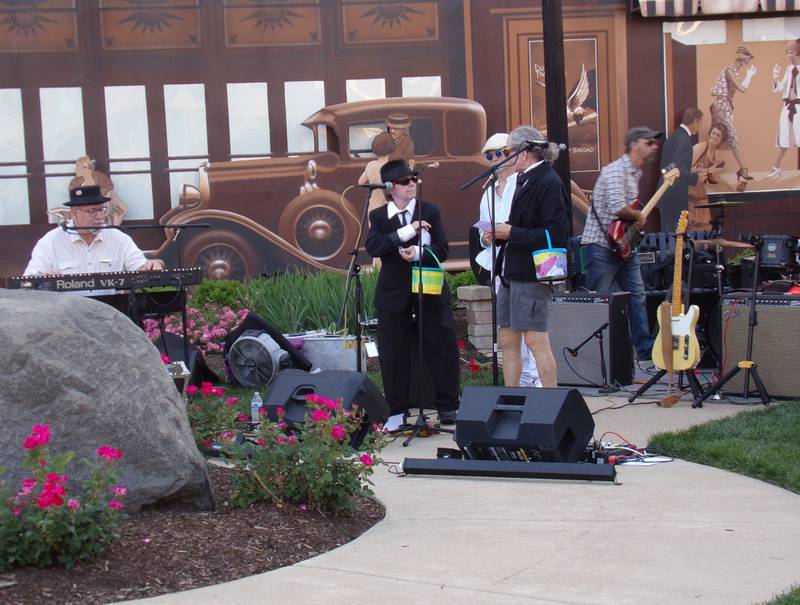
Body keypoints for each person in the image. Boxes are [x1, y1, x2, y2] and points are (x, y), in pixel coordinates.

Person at [364, 159, 460, 424]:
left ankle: (448, 405)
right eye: (406, 181)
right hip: (394, 291)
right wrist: (407, 232)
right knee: (394, 351)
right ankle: (397, 409)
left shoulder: (429, 210)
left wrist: (419, 252)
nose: (412, 185)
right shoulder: (379, 216)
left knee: (441, 345)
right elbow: (374, 247)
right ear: (391, 187)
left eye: (414, 180)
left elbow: (442, 248)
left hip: (428, 286)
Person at [485, 125, 570, 388]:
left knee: (535, 339)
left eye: (508, 151)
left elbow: (556, 233)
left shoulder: (547, 180)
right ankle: (512, 397)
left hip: (533, 273)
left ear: (524, 152)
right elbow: (524, 223)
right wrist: (499, 234)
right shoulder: (524, 179)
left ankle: (550, 402)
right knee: (508, 339)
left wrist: (511, 232)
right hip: (512, 270)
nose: (505, 156)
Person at [581, 126, 661, 364]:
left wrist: (634, 227)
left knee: (637, 296)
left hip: (623, 247)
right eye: (649, 142)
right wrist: (638, 217)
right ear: (635, 144)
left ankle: (645, 350)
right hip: (600, 245)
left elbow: (622, 217)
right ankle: (598, 356)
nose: (654, 146)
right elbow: (617, 206)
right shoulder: (616, 171)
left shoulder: (634, 174)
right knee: (602, 300)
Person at [475, 132, 541, 388]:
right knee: (509, 329)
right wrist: (487, 238)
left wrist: (506, 232)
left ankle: (534, 380)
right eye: (488, 155)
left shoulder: (522, 183)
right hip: (498, 264)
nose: (493, 159)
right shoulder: (488, 192)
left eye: (498, 153)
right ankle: (519, 382)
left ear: (511, 153)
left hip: (521, 262)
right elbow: (482, 230)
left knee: (529, 328)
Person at [24, 185, 164, 278]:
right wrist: (44, 281)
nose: (99, 216)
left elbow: (141, 267)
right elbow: (28, 281)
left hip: (111, 311)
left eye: (101, 210)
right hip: (66, 316)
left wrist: (152, 265)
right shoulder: (50, 241)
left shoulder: (118, 238)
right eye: (92, 211)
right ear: (74, 214)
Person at [709, 45, 757, 185]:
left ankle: (710, 173)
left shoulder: (734, 71)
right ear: (741, 56)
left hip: (726, 108)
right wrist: (749, 76)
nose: (749, 59)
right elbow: (741, 89)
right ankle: (743, 170)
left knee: (718, 140)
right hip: (721, 107)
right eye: (748, 56)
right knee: (727, 138)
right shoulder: (730, 71)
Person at [658, 108, 707, 233]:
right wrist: (696, 178)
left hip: (668, 194)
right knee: (674, 237)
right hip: (673, 197)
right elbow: (675, 170)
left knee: (672, 237)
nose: (700, 127)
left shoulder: (677, 137)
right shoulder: (682, 140)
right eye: (700, 123)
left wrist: (692, 170)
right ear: (695, 121)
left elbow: (671, 165)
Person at [766, 39, 800, 180]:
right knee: (784, 137)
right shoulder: (789, 69)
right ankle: (776, 167)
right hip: (787, 106)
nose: (788, 55)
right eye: (787, 52)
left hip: (798, 106)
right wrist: (775, 76)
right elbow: (779, 88)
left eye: (790, 52)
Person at [688, 123, 729, 232]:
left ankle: (700, 247)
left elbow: (713, 179)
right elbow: (684, 168)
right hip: (689, 190)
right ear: (709, 134)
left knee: (704, 224)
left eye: (718, 135)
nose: (714, 137)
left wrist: (732, 187)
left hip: (700, 191)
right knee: (691, 224)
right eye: (713, 133)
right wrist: (707, 170)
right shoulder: (701, 147)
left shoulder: (715, 153)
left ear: (721, 139)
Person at [358, 131, 397, 216]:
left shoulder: (371, 165)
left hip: (373, 208)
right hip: (389, 210)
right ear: (392, 147)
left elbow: (360, 182)